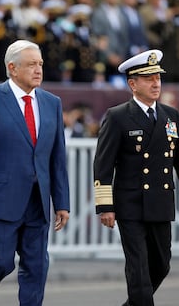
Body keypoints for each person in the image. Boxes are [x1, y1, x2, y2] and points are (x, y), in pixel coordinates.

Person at [0, 39, 70, 306]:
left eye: (40, 64)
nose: (38, 70)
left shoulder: (52, 102)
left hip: (38, 200)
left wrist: (62, 202)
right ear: (12, 68)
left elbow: (57, 158)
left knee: (37, 266)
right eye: (32, 64)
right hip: (0, 200)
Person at [93, 49, 179, 306]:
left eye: (158, 78)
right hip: (131, 204)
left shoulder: (171, 116)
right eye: (149, 78)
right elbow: (103, 165)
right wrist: (105, 206)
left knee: (161, 265)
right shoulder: (118, 116)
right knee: (139, 270)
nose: (156, 83)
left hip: (161, 203)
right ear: (132, 84)